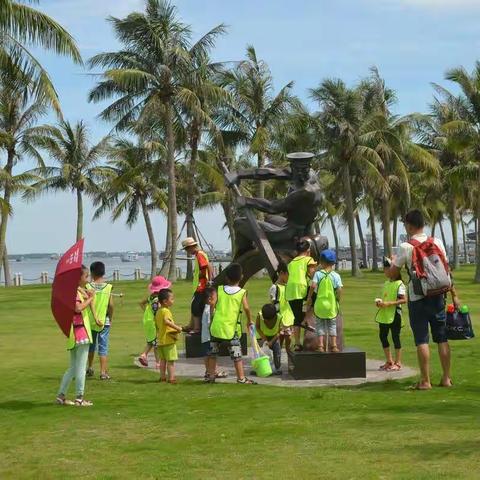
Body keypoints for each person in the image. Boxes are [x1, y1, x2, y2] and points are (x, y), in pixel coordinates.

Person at [389, 209, 460, 390]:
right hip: (438, 296)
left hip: (417, 297)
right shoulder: (436, 242)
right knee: (442, 338)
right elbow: (446, 269)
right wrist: (455, 295)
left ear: (410, 226)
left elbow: (392, 274)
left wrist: (391, 264)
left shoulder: (406, 247)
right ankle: (446, 378)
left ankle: (425, 381)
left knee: (422, 339)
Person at [206, 263, 256, 384]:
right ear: (241, 277)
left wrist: (212, 316)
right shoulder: (242, 292)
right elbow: (247, 308)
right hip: (230, 328)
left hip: (217, 327)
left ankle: (211, 376)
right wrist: (249, 320)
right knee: (236, 355)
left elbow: (212, 304)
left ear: (227, 278)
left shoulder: (220, 289)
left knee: (213, 353)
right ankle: (241, 378)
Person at [56, 265, 95, 406]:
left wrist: (86, 294)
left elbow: (81, 301)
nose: (88, 278)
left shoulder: (74, 291)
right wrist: (91, 298)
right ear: (78, 278)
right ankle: (80, 397)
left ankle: (61, 395)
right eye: (86, 276)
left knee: (73, 368)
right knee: (80, 368)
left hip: (74, 334)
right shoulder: (74, 293)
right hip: (81, 334)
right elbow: (78, 308)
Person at [306, 249, 342, 353]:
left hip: (319, 305)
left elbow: (313, 286)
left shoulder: (318, 274)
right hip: (331, 305)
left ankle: (321, 346)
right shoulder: (336, 275)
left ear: (321, 262)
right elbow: (339, 289)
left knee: (320, 325)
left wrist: (309, 297)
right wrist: (338, 299)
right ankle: (334, 346)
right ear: (333, 263)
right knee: (332, 325)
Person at [375, 258, 407, 371]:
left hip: (395, 315)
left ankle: (398, 362)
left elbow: (403, 300)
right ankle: (389, 361)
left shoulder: (400, 284)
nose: (384, 271)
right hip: (384, 315)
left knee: (395, 337)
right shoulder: (386, 283)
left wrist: (389, 303)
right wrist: (380, 303)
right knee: (382, 336)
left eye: (386, 269)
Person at [286, 239, 317, 351]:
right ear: (308, 250)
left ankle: (297, 343)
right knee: (315, 298)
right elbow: (312, 274)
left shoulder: (291, 263)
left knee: (296, 318)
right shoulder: (308, 259)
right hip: (301, 289)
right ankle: (306, 319)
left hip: (290, 291)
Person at [86, 261, 114, 380]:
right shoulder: (108, 287)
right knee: (103, 347)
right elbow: (111, 305)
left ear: (92, 273)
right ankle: (103, 372)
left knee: (91, 346)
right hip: (104, 321)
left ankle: (90, 367)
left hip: (90, 321)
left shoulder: (87, 287)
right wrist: (110, 318)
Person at [138, 275, 172, 368]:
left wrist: (146, 312)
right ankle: (157, 362)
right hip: (154, 323)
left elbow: (141, 303)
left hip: (147, 321)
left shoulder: (151, 297)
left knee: (151, 341)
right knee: (156, 343)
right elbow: (159, 313)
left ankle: (144, 355)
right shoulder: (158, 300)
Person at [181, 237, 214, 333]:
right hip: (199, 285)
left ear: (191, 247)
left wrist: (209, 280)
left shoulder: (199, 254)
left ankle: (196, 328)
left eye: (187, 249)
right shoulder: (199, 254)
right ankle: (192, 325)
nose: (187, 251)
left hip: (202, 285)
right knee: (195, 305)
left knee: (195, 306)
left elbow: (207, 266)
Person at [200, 286, 228, 381]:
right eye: (216, 297)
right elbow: (210, 324)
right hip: (209, 337)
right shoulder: (209, 310)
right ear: (210, 299)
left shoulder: (206, 308)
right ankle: (210, 372)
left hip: (205, 337)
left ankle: (211, 371)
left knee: (208, 355)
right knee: (211, 355)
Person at [155, 289, 183, 384]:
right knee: (170, 361)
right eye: (172, 299)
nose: (173, 300)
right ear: (165, 301)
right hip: (168, 340)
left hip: (160, 340)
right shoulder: (166, 311)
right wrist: (178, 328)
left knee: (163, 360)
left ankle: (162, 377)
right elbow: (167, 322)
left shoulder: (158, 312)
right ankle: (171, 378)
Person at [269, 262, 294, 352]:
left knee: (289, 341)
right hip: (280, 320)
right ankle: (277, 361)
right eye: (288, 275)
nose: (289, 277)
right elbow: (273, 304)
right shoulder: (274, 288)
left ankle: (290, 360)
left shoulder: (288, 287)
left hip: (289, 319)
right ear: (282, 273)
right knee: (279, 342)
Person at [255, 303, 283, 375]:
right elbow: (257, 327)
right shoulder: (260, 316)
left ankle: (277, 368)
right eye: (265, 320)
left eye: (268, 320)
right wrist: (264, 339)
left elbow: (280, 332)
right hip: (263, 336)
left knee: (277, 351)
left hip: (274, 337)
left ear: (274, 317)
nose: (266, 321)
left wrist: (271, 342)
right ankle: (259, 368)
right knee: (259, 352)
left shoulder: (279, 318)